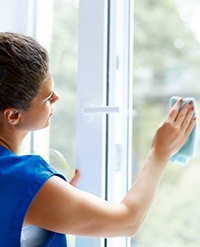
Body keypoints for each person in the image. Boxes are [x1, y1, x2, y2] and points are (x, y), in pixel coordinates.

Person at [0, 32, 196, 247]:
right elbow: (127, 222)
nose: (56, 98)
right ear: (13, 115)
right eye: (47, 97)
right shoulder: (24, 180)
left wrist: (57, 201)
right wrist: (159, 153)